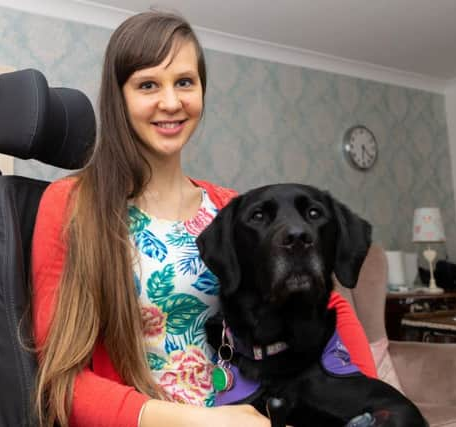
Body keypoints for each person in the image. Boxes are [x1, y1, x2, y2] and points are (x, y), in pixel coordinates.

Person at [31, 10, 377, 427]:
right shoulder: (72, 206)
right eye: (147, 85)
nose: (172, 102)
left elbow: (329, 302)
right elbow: (63, 384)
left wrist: (367, 406)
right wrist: (202, 421)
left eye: (184, 82)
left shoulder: (229, 207)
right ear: (118, 97)